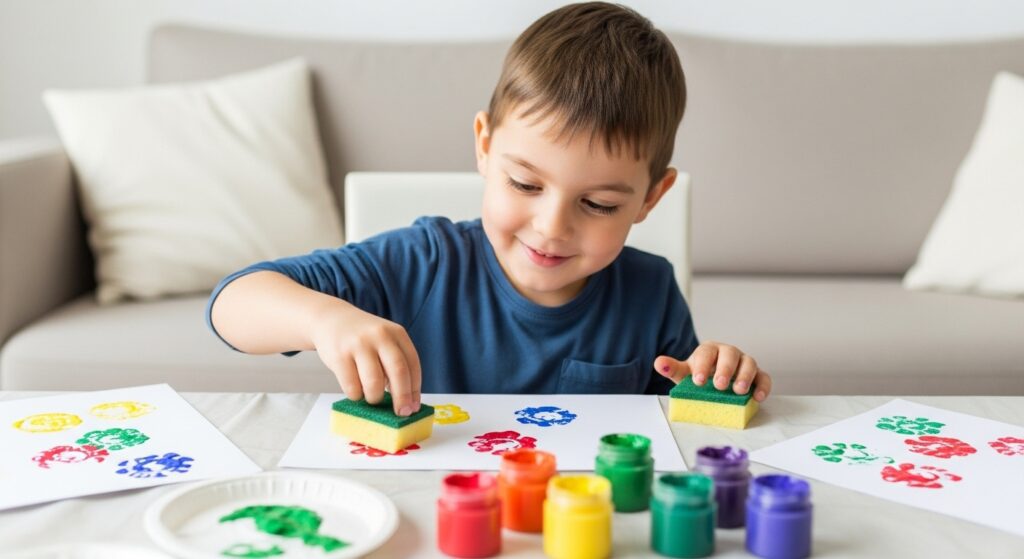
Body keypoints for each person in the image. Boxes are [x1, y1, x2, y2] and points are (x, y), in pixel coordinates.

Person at [207, 2, 772, 417]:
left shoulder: (651, 290)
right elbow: (232, 304)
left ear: (651, 197)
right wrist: (324, 319)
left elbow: (681, 427)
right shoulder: (423, 262)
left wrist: (719, 378)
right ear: (484, 145)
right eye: (525, 184)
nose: (552, 227)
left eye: (598, 204)